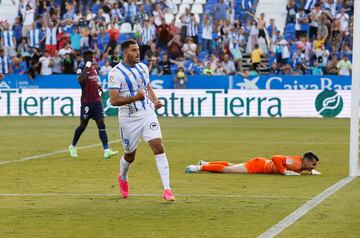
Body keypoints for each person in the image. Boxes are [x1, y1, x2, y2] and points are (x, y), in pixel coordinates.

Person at [108, 39, 175, 201]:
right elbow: (114, 101)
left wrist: (155, 101)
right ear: (125, 53)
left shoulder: (143, 68)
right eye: (133, 50)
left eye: (138, 49)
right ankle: (123, 177)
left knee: (158, 147)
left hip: (147, 113)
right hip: (128, 119)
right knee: (130, 156)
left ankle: (167, 189)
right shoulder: (115, 73)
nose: (138, 53)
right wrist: (135, 98)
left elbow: (148, 88)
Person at [68, 50, 118, 159]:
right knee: (83, 126)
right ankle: (73, 146)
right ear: (85, 58)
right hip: (86, 102)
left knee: (101, 124)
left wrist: (99, 87)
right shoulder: (81, 68)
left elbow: (93, 81)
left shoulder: (93, 68)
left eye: (93, 57)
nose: (93, 59)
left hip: (97, 101)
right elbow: (80, 79)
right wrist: (86, 67)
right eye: (91, 57)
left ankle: (107, 150)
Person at [185, 151, 321, 176]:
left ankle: (206, 163)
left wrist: (311, 171)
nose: (314, 167)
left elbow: (303, 168)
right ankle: (197, 167)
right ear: (307, 161)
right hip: (258, 166)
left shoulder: (301, 164)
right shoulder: (295, 163)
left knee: (231, 165)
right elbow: (276, 157)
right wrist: (283, 172)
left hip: (259, 162)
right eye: (313, 165)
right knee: (228, 170)